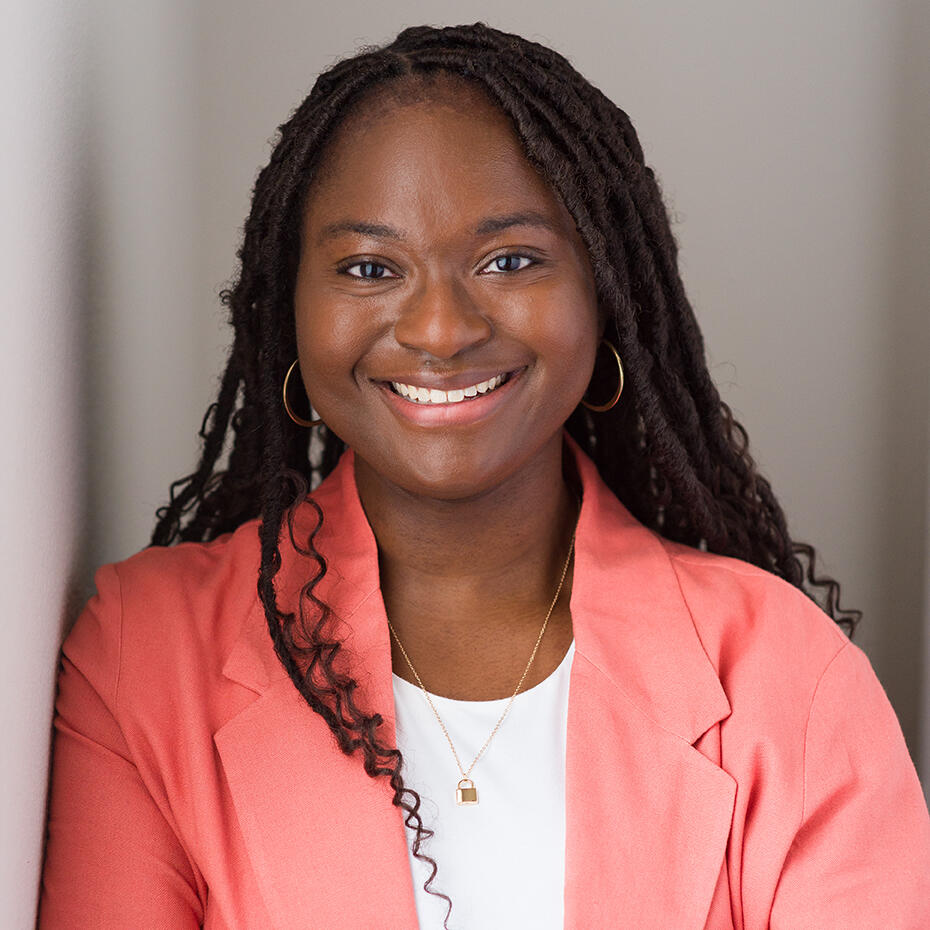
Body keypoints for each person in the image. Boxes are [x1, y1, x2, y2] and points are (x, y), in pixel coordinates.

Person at [39, 22, 930, 930]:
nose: (440, 328)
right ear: (291, 318)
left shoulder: (789, 679)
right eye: (368, 268)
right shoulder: (144, 660)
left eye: (510, 260)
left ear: (605, 294)